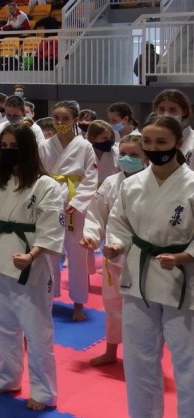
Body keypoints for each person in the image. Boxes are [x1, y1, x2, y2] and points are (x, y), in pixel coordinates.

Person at [0, 123, 64, 411]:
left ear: (28, 150)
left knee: (37, 331)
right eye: (5, 147)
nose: (9, 152)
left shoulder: (46, 185)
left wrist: (32, 255)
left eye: (14, 147)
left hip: (30, 266)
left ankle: (44, 392)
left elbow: (51, 227)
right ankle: (7, 378)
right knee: (2, 325)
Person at [105, 116, 194, 418]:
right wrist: (116, 244)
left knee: (188, 360)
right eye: (148, 142)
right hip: (138, 275)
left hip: (182, 279)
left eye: (161, 142)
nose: (154, 148)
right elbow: (118, 222)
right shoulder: (132, 184)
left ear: (178, 144)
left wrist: (184, 256)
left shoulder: (192, 184)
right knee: (138, 358)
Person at [79, 133, 144, 367]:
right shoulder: (110, 182)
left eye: (134, 155)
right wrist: (91, 236)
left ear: (146, 157)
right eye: (123, 154)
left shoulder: (153, 184)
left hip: (144, 258)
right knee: (113, 305)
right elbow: (97, 214)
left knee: (141, 312)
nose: (127, 158)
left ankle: (138, 359)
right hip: (112, 255)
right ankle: (111, 351)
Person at [41, 100, 98, 321]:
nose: (60, 122)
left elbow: (91, 178)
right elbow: (39, 175)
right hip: (50, 200)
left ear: (75, 120)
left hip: (75, 203)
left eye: (65, 118)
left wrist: (78, 202)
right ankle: (48, 297)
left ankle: (78, 302)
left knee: (77, 253)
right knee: (49, 251)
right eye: (56, 118)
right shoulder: (45, 145)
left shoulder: (84, 146)